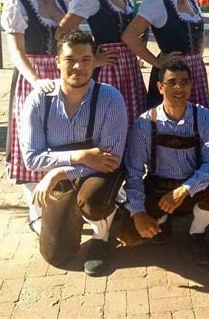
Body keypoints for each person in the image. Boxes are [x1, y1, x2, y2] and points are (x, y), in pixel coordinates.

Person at [19, 31, 128, 275]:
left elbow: (110, 160)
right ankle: (67, 217)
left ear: (94, 61)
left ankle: (102, 235)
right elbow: (32, 158)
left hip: (99, 174)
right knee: (56, 255)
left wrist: (57, 172)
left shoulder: (110, 98)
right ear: (57, 61)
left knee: (93, 200)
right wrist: (77, 157)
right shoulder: (38, 100)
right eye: (70, 59)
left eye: (86, 59)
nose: (78, 66)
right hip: (67, 174)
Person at [119, 59, 209, 265]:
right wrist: (138, 212)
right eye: (172, 82)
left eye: (184, 82)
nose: (179, 88)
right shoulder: (145, 123)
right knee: (129, 235)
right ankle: (163, 219)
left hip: (192, 184)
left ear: (191, 85)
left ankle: (197, 232)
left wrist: (185, 189)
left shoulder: (203, 117)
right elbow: (133, 171)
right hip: (158, 185)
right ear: (160, 87)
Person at [1, 0, 68, 233]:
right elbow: (16, 51)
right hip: (34, 77)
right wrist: (35, 80)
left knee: (60, 136)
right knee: (32, 138)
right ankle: (35, 207)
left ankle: (60, 199)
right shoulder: (18, 4)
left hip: (61, 75)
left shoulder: (63, 3)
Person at [57, 0, 146, 130]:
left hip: (129, 67)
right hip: (108, 69)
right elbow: (63, 31)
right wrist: (92, 58)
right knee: (108, 121)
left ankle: (128, 159)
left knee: (131, 118)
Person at [122, 0, 209, 109]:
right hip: (171, 75)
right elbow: (130, 36)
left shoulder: (192, 0)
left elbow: (201, 35)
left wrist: (196, 59)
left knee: (197, 124)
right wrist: (157, 62)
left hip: (196, 73)